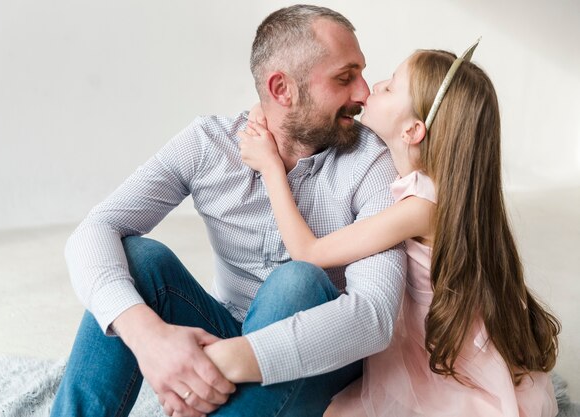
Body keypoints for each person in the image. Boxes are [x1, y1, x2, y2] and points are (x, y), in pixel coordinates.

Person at [51, 5, 406, 417]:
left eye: (362, 73)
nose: (363, 92)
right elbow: (95, 229)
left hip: (320, 356)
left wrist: (218, 363)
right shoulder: (209, 144)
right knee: (138, 259)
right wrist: (149, 339)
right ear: (281, 89)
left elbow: (373, 316)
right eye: (345, 78)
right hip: (226, 327)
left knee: (298, 283)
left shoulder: (371, 163)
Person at [238, 40, 561, 417]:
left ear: (412, 131)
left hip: (431, 362)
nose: (373, 87)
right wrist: (272, 109)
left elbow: (308, 253)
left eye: (390, 86)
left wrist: (272, 171)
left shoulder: (422, 208)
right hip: (412, 340)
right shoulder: (420, 182)